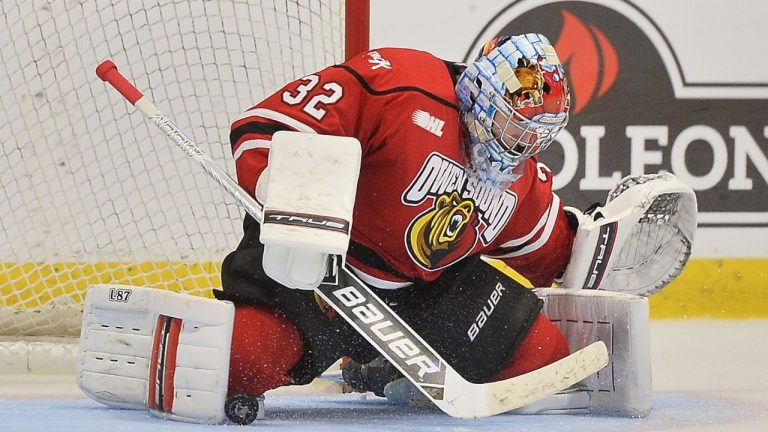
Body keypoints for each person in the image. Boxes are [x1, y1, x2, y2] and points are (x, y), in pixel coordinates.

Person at [216, 33, 578, 400]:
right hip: (322, 272)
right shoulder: (401, 84)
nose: (522, 144)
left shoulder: (518, 178)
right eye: (516, 124)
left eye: (538, 135)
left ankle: (386, 368)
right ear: (480, 91)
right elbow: (267, 127)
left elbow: (550, 248)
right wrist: (295, 204)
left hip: (425, 295)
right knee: (237, 361)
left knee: (544, 356)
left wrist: (600, 247)